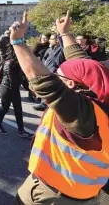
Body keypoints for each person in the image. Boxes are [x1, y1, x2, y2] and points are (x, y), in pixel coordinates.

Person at [11, 11, 109, 204]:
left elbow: (44, 83)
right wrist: (64, 33)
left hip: (53, 195)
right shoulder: (99, 95)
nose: (56, 75)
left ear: (71, 85)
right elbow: (83, 65)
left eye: (60, 75)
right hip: (88, 193)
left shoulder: (82, 114)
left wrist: (17, 42)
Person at [0, 29, 33, 138]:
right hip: (7, 88)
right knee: (5, 108)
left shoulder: (18, 62)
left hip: (13, 87)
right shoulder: (9, 62)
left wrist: (30, 89)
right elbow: (14, 77)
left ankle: (21, 131)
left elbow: (23, 77)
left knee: (18, 109)